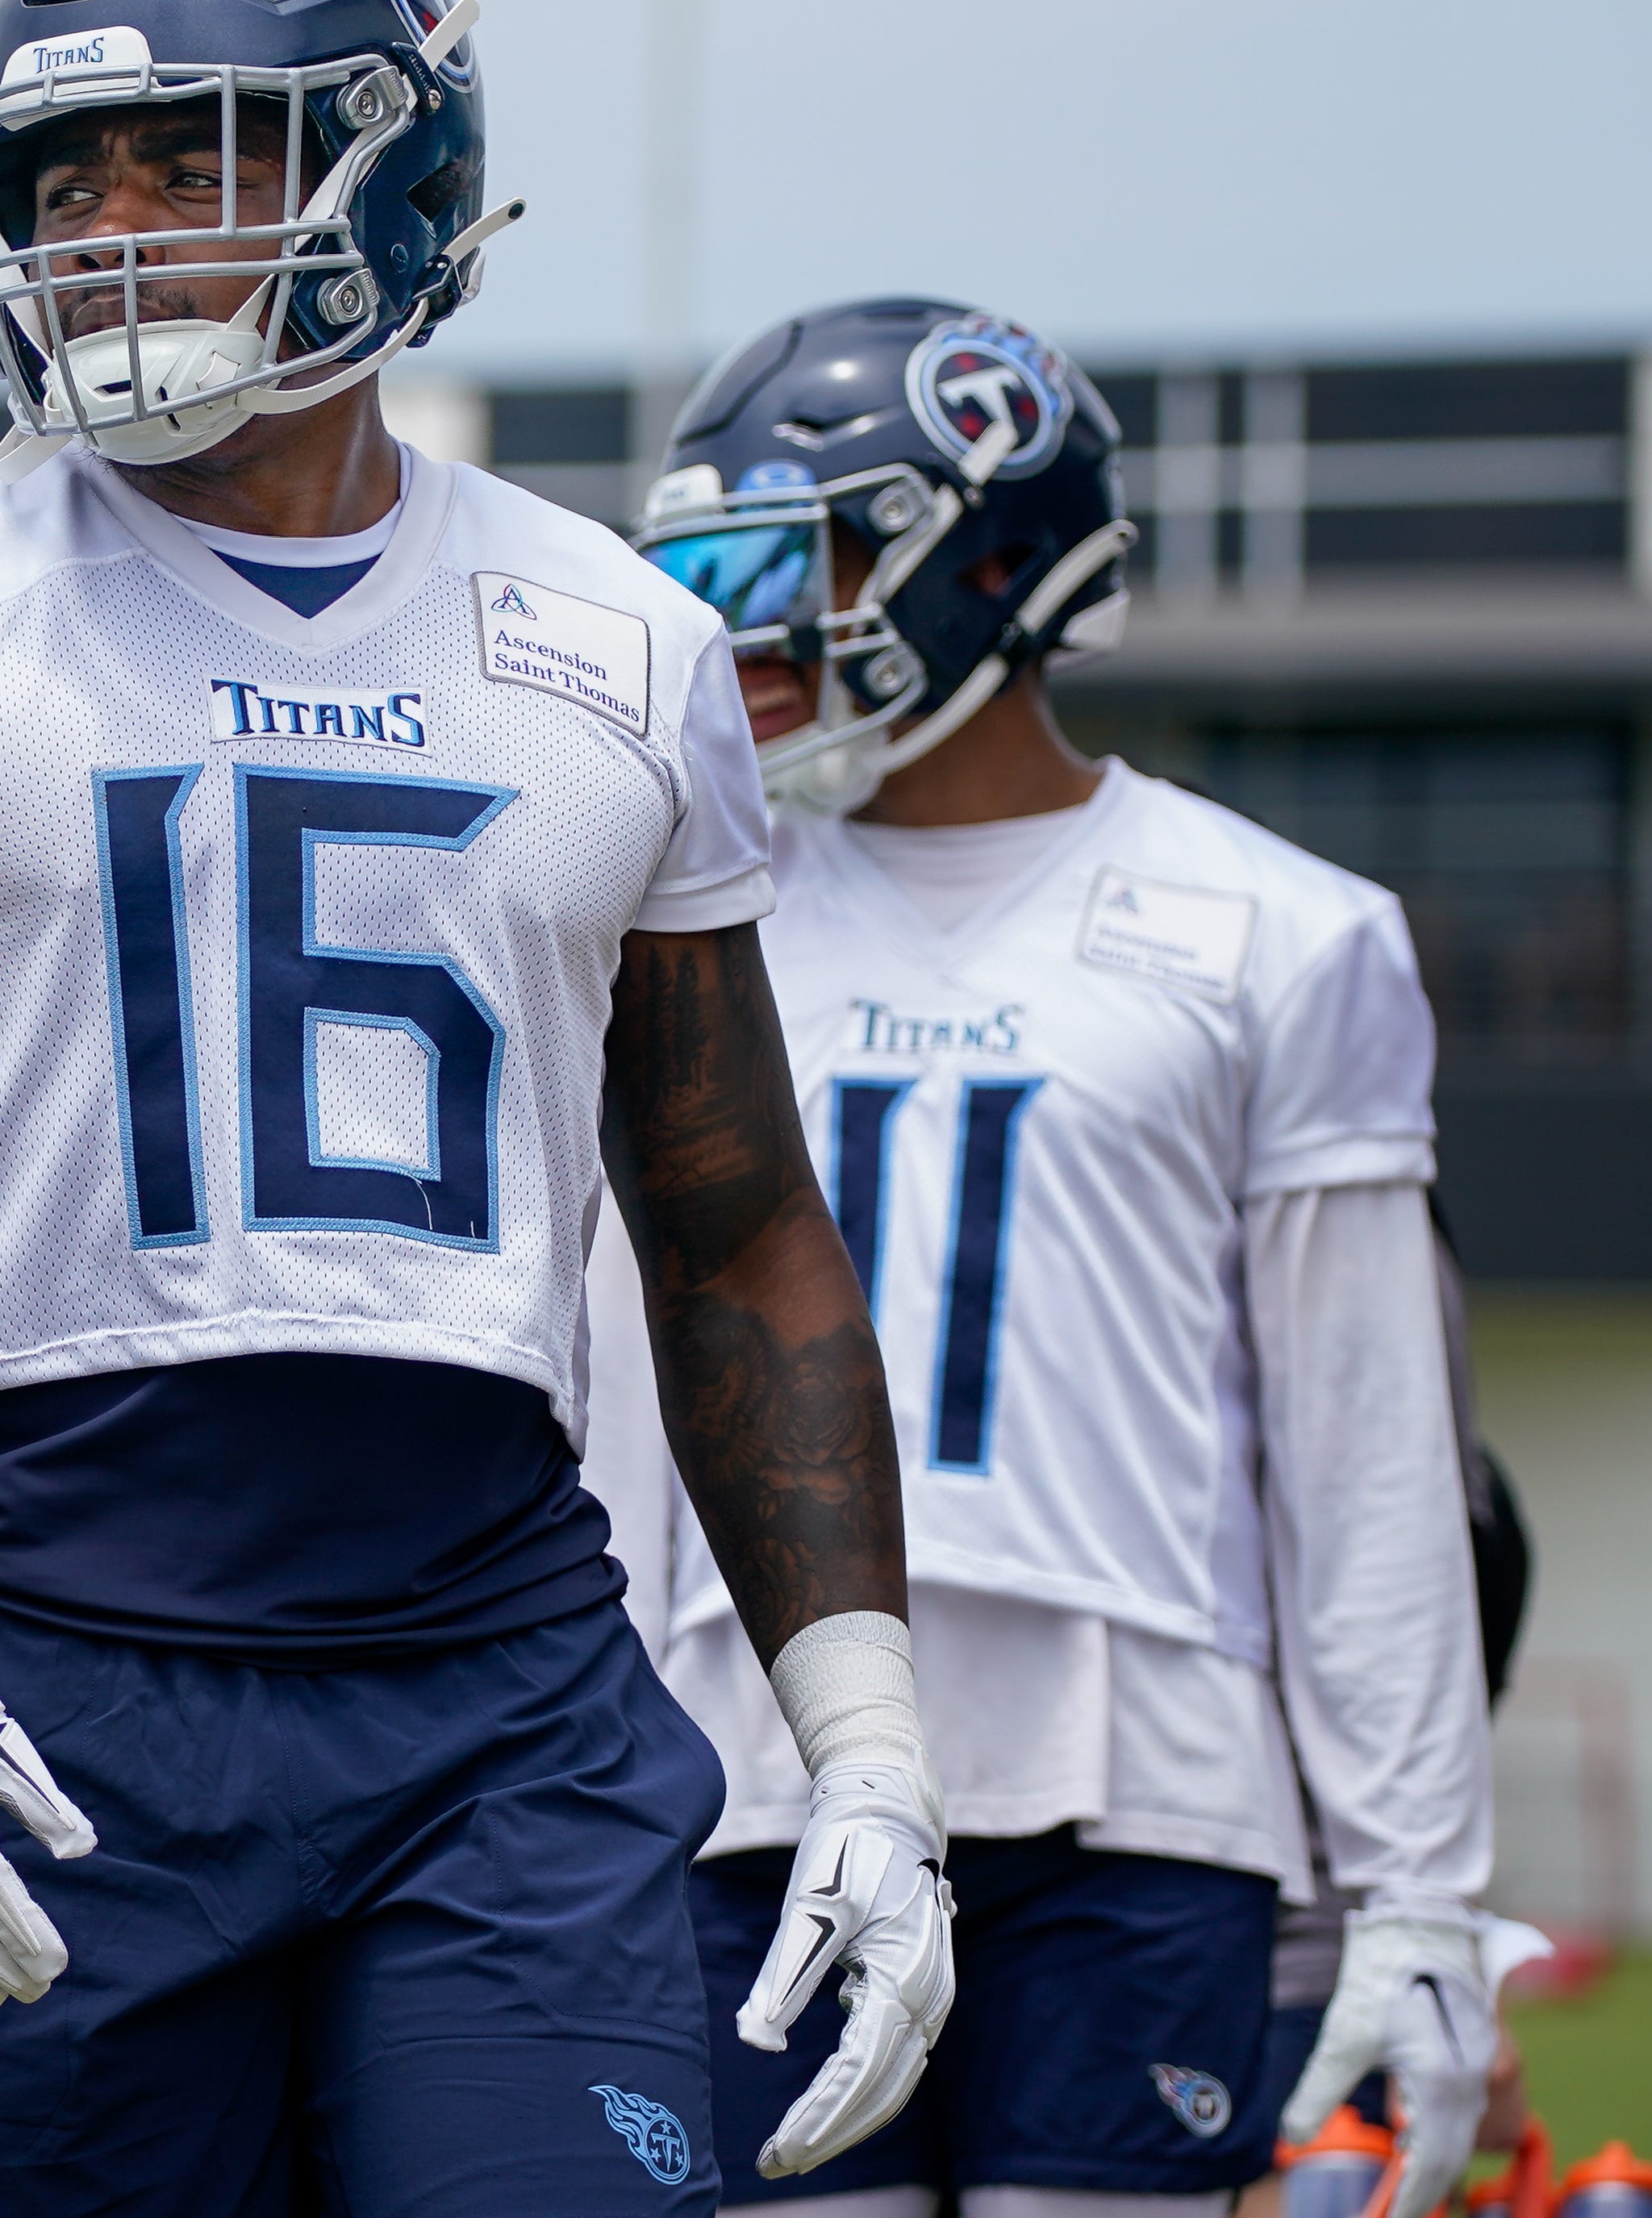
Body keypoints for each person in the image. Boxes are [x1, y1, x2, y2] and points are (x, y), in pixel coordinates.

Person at [0, 0, 951, 2218]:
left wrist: (862, 1741)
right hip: (46, 1648)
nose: (115, 231)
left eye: (191, 159)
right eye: (67, 178)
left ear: (396, 166)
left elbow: (741, 1229)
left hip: (496, 1673)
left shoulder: (617, 639)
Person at [615, 297, 1496, 2218]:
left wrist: (1414, 1885)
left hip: (1143, 1786)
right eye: (704, 563)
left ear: (986, 554)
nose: (743, 615)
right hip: (747, 1766)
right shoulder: (666, 902)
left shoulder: (1281, 931)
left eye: (800, 549)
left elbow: (1362, 1464)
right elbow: (615, 1381)